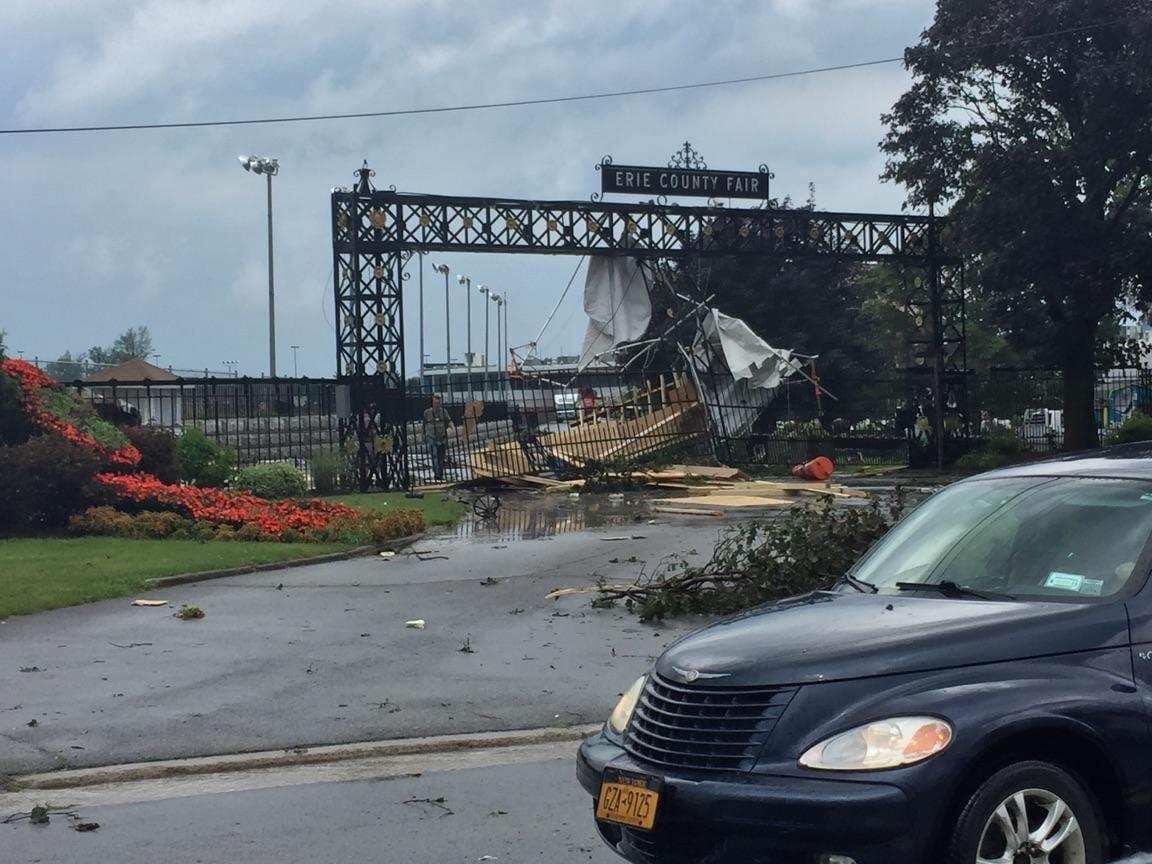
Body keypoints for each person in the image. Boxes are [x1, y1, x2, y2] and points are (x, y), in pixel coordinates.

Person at [423, 394, 453, 481]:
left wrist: (452, 428)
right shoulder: (427, 412)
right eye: (435, 402)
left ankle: (440, 473)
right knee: (434, 455)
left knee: (441, 456)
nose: (437, 404)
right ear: (432, 402)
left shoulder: (444, 412)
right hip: (431, 436)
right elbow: (424, 424)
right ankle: (437, 474)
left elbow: (449, 421)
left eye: (438, 402)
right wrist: (424, 434)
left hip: (442, 437)